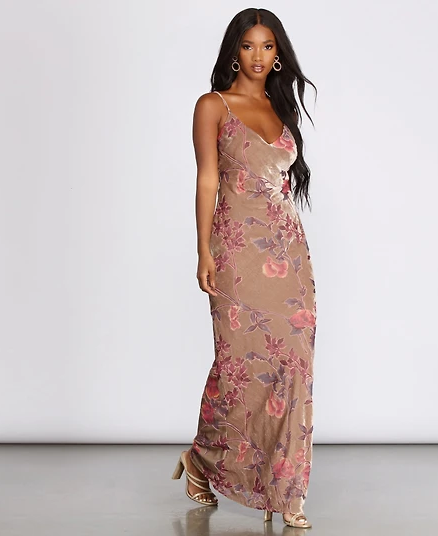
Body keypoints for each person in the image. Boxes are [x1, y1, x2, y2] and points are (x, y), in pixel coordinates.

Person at [171, 7, 318, 530]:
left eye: (268, 46)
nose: (258, 55)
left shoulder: (281, 109)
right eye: (249, 45)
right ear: (235, 50)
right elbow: (207, 179)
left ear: (279, 55)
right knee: (239, 368)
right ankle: (202, 458)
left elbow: (282, 186)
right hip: (236, 253)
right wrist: (203, 250)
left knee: (292, 366)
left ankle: (287, 489)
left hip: (288, 254)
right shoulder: (213, 105)